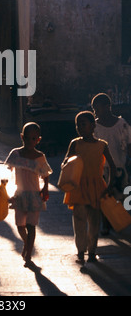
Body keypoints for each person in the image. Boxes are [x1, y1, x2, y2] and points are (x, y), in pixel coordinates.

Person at [62, 111, 116, 264]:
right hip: (78, 186)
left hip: (96, 186)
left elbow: (112, 166)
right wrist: (68, 165)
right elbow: (65, 162)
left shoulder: (102, 145)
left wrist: (110, 185)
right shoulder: (75, 143)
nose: (79, 127)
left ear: (93, 126)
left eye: (83, 124)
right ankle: (81, 250)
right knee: (79, 219)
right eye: (77, 125)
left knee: (94, 221)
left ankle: (92, 251)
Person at [5, 122, 52, 266]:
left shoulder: (40, 157)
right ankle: (27, 243)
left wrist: (45, 188)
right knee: (20, 225)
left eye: (34, 138)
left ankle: (28, 254)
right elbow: (8, 171)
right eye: (27, 138)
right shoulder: (15, 154)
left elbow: (45, 174)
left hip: (34, 196)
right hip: (19, 194)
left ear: (38, 140)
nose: (30, 141)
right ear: (22, 137)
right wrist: (4, 189)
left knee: (31, 226)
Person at [91, 92, 131, 234]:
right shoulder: (94, 127)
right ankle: (106, 225)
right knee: (104, 198)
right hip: (102, 169)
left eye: (98, 108)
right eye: (94, 109)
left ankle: (120, 221)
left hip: (120, 167)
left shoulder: (122, 124)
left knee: (121, 196)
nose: (96, 112)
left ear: (108, 107)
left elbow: (129, 143)